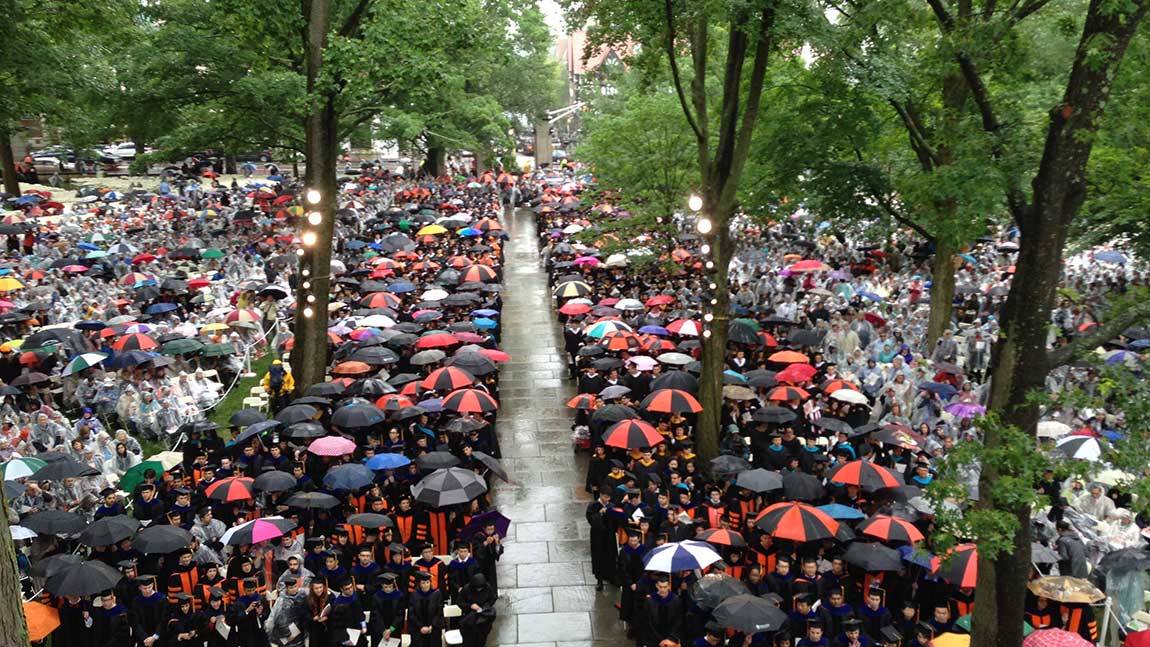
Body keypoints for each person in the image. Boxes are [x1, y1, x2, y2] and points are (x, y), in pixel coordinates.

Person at [587, 489, 618, 590]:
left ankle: (612, 577)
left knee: (611, 556)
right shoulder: (593, 506)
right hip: (598, 537)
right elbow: (590, 520)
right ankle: (599, 580)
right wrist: (600, 514)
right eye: (604, 497)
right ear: (600, 495)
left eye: (608, 497)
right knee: (599, 557)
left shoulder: (612, 506)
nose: (606, 499)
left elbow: (616, 521)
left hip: (609, 536)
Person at [642, 576, 685, 647]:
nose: (662, 589)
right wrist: (659, 640)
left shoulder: (676, 600)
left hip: (671, 639)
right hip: (653, 639)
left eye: (665, 587)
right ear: (656, 586)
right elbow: (647, 621)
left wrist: (671, 638)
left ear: (669, 586)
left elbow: (679, 620)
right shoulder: (650, 600)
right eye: (660, 587)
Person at [456, 573, 497, 647]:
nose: (479, 589)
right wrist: (470, 606)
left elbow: (492, 599)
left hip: (483, 620)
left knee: (481, 641)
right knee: (469, 642)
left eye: (481, 588)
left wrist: (484, 607)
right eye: (477, 588)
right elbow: (459, 602)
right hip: (469, 620)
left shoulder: (487, 587)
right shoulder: (467, 588)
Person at [407, 570, 444, 647]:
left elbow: (439, 612)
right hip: (418, 629)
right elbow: (411, 614)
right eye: (423, 583)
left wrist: (432, 626)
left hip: (433, 628)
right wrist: (420, 626)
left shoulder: (436, 594)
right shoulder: (414, 595)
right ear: (419, 584)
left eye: (427, 582)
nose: (426, 585)